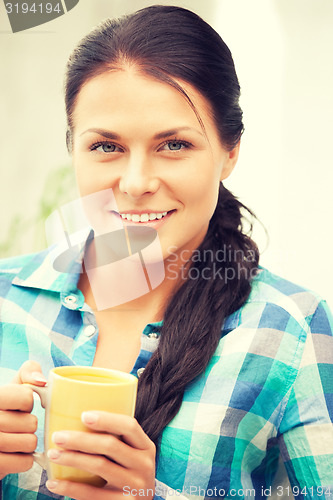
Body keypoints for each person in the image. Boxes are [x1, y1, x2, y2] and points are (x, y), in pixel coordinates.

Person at [0, 5, 332, 500]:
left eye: (174, 145)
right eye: (106, 146)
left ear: (229, 151)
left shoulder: (289, 329)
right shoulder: (7, 298)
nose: (136, 183)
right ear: (72, 148)